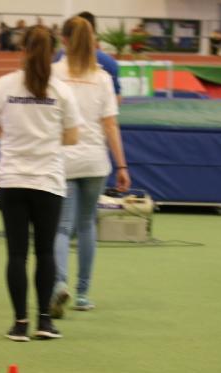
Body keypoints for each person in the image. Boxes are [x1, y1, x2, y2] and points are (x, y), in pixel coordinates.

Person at [0, 25, 81, 341]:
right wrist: (45, 135)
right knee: (45, 252)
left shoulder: (3, 85)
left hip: (12, 179)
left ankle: (20, 323)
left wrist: (18, 131)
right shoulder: (61, 90)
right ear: (54, 53)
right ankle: (44, 322)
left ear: (22, 50)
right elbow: (72, 136)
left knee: (16, 254)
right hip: (47, 180)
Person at [49, 17, 130, 319]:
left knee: (61, 227)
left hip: (63, 159)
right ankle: (82, 294)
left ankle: (59, 283)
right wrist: (122, 165)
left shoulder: (54, 73)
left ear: (64, 40)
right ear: (94, 41)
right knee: (86, 226)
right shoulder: (103, 77)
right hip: (95, 161)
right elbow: (110, 125)